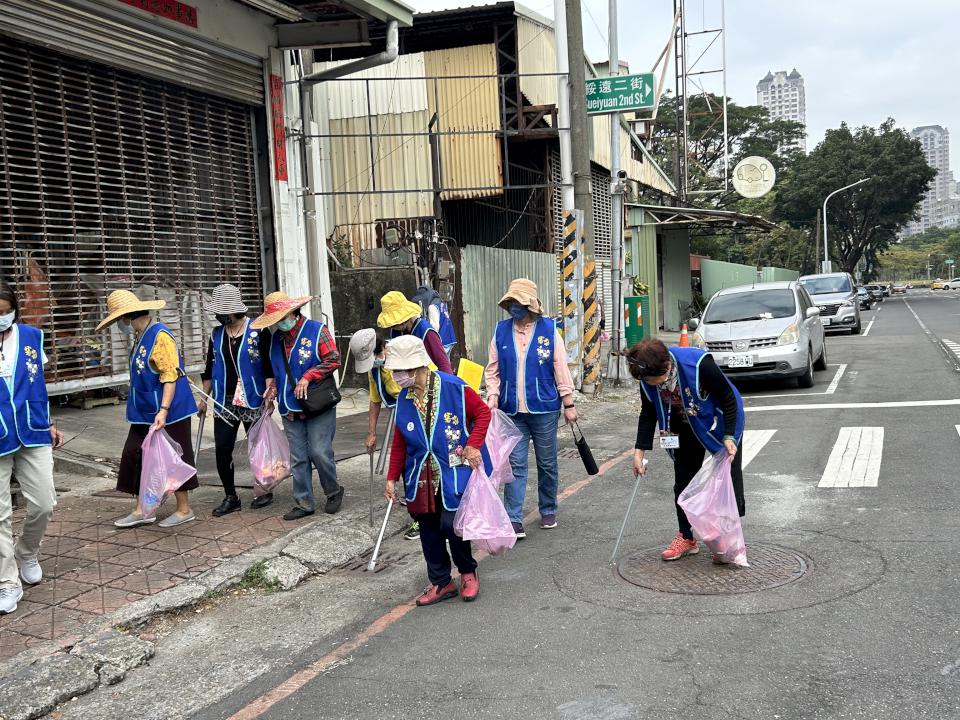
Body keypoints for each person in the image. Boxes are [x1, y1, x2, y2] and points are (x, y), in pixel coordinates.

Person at [383, 336, 490, 605]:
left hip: (453, 469)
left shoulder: (454, 387)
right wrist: (391, 478)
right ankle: (441, 582)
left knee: (451, 524)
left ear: (418, 367)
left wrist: (473, 445)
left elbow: (483, 414)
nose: (396, 376)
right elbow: (399, 443)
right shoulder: (404, 399)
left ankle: (467, 572)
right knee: (428, 529)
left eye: (400, 371)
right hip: (420, 474)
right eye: (394, 371)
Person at [627, 338, 746, 562]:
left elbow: (729, 398)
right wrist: (639, 452)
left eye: (654, 380)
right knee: (683, 483)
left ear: (667, 367)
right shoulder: (647, 379)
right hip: (682, 426)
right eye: (647, 381)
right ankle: (686, 537)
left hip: (717, 422)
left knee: (728, 481)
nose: (651, 384)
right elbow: (648, 412)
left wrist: (729, 436)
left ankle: (728, 538)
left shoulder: (698, 364)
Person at [97, 290, 199, 529]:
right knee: (135, 455)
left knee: (175, 458)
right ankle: (144, 508)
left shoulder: (160, 335)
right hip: (144, 410)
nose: (119, 325)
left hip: (169, 410)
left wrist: (163, 410)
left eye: (119, 320)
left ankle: (184, 509)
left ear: (128, 317)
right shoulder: (140, 334)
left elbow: (169, 376)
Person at [484, 278, 577, 538]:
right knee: (516, 465)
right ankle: (513, 517)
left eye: (519, 303)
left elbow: (560, 366)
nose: (515, 307)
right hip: (512, 410)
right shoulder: (501, 331)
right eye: (511, 302)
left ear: (531, 305)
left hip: (545, 408)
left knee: (547, 463)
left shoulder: (549, 330)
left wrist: (568, 402)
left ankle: (548, 508)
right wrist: (492, 396)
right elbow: (493, 369)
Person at [251, 292, 343, 520]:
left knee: (320, 452)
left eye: (282, 317)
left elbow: (333, 359)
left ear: (293, 312)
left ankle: (333, 490)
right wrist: (271, 390)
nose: (280, 323)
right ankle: (304, 502)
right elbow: (275, 372)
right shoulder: (276, 339)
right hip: (289, 407)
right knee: (298, 457)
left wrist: (308, 376)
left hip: (317, 403)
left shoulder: (316, 330)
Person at [0, 282, 63, 615]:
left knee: (44, 501)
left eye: (4, 311)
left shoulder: (31, 337)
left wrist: (50, 421)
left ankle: (26, 550)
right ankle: (7, 581)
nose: (1, 318)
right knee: (0, 515)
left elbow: (38, 381)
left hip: (33, 428)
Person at [199, 284, 277, 516]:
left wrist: (270, 395)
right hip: (225, 401)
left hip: (252, 397)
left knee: (257, 447)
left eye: (221, 312)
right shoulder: (216, 335)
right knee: (222, 449)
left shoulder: (259, 331)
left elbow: (267, 367)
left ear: (232, 311)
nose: (217, 316)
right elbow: (210, 367)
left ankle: (264, 489)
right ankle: (230, 496)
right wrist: (204, 398)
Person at [377, 291, 452, 374]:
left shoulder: (425, 332)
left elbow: (443, 364)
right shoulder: (395, 331)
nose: (392, 327)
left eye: (394, 324)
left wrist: (448, 384)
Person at [412, 285, 458, 355]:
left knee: (439, 363)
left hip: (442, 340)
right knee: (446, 363)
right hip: (450, 338)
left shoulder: (432, 307)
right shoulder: (441, 303)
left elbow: (434, 327)